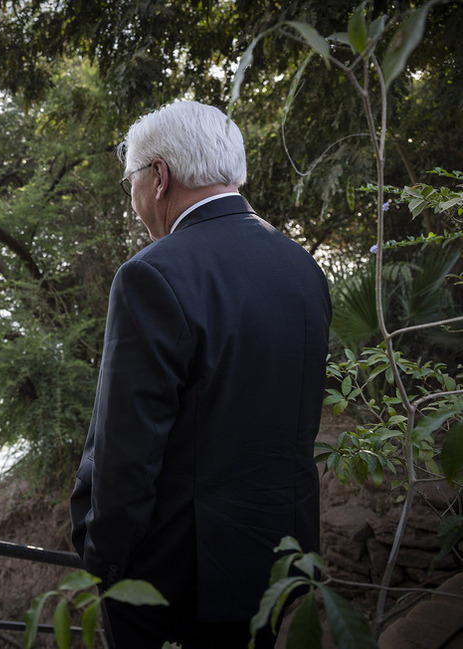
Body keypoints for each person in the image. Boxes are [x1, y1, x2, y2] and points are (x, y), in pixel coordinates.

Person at [69, 101, 331, 649]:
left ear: (159, 177)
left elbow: (125, 455)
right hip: (278, 561)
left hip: (176, 582)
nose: (132, 199)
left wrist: (102, 561)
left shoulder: (152, 276)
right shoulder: (302, 267)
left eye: (131, 182)